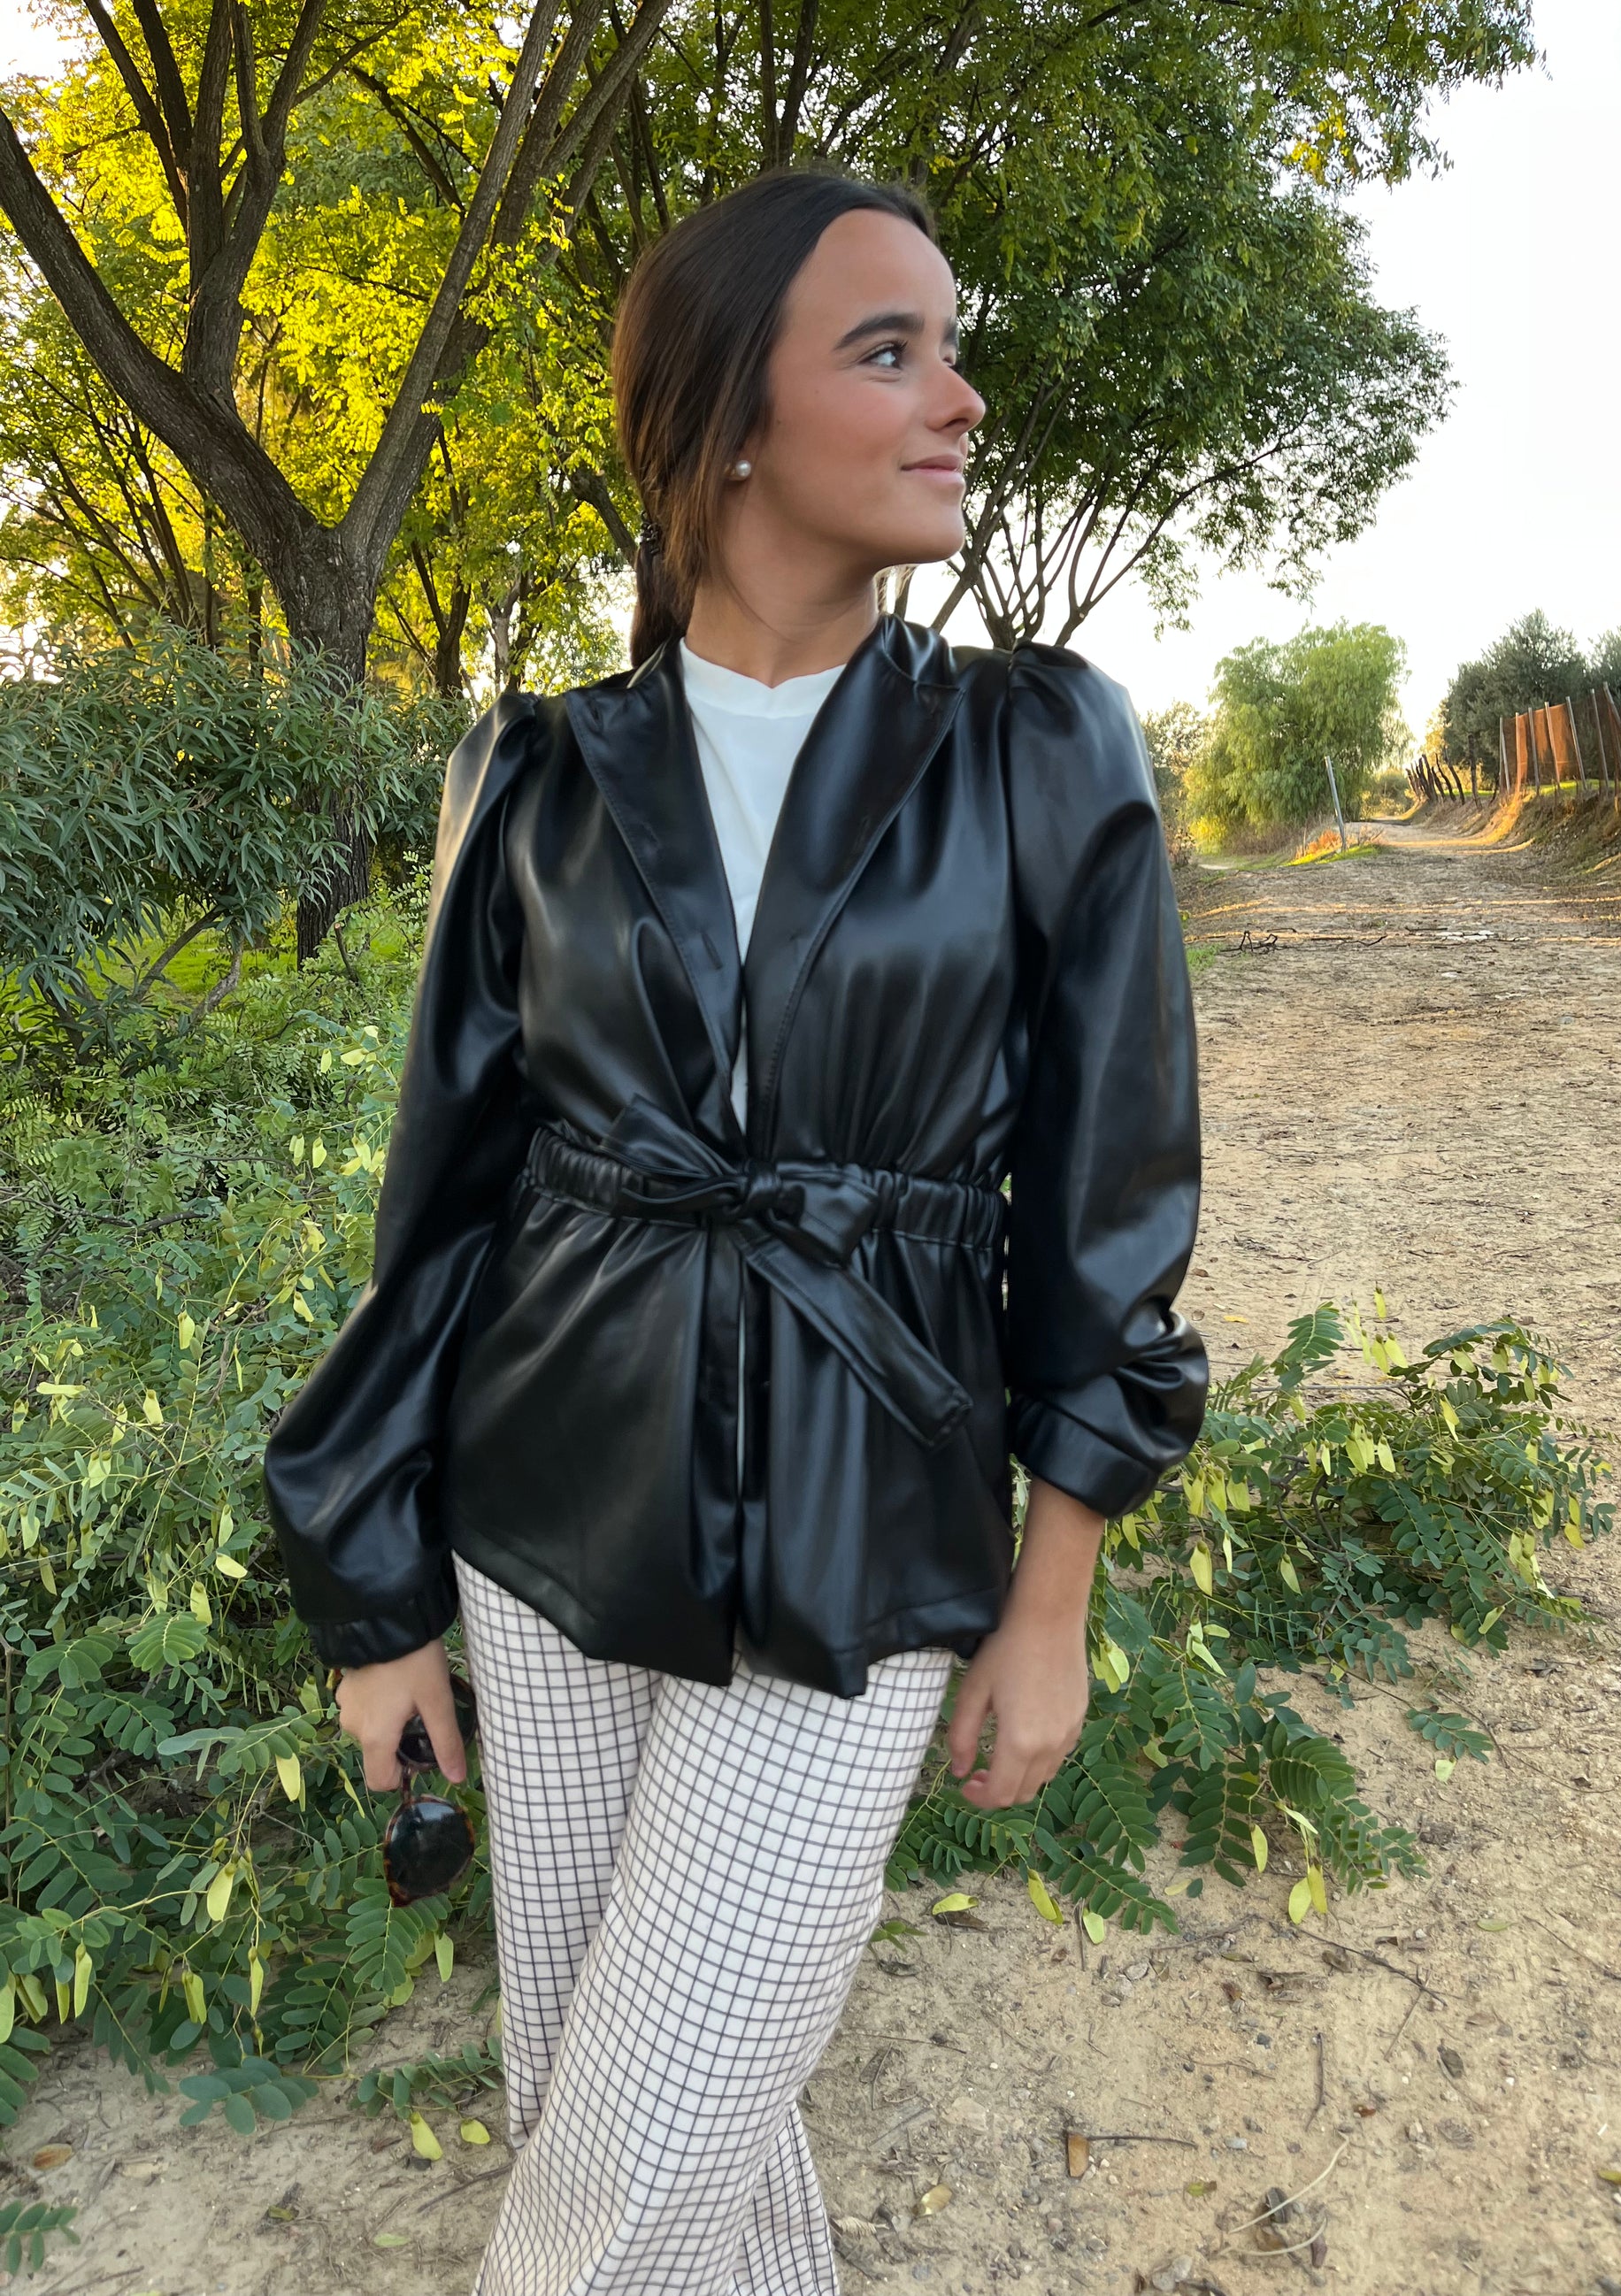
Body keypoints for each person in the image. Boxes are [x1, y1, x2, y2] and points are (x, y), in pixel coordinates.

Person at [265, 163, 1207, 2296]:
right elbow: (446, 1209)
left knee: (626, 2160)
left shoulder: (1037, 750)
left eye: (950, 346)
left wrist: (1050, 1592)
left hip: (865, 1522)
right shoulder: (531, 776)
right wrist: (375, 1590)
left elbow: (1109, 1199)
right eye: (890, 349)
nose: (958, 396)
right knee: (603, 2095)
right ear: (727, 418)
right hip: (544, 1509)